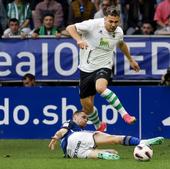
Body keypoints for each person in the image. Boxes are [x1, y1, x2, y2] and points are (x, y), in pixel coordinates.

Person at [66, 7, 140, 132]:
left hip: (104, 65)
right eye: (110, 21)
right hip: (86, 69)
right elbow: (70, 28)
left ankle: (125, 115)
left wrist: (130, 59)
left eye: (116, 22)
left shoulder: (119, 32)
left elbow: (121, 44)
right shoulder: (93, 25)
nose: (113, 25)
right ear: (105, 19)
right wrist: (79, 40)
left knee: (100, 88)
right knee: (87, 107)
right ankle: (99, 126)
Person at [48, 110, 164, 160]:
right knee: (114, 139)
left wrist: (108, 150)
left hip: (72, 153)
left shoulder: (78, 131)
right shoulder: (71, 123)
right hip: (74, 139)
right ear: (75, 117)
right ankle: (142, 142)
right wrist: (56, 136)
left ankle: (103, 154)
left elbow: (64, 133)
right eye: (83, 117)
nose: (85, 120)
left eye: (87, 119)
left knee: (103, 153)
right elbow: (62, 130)